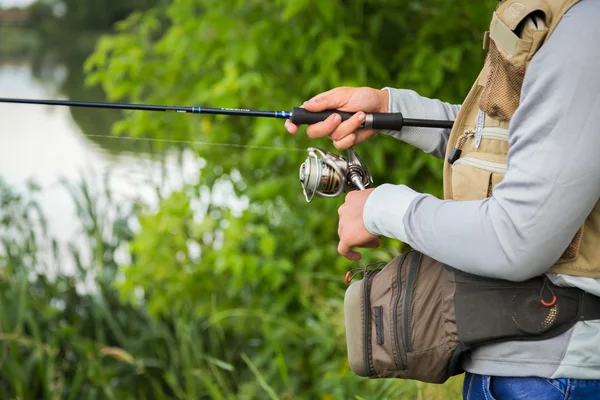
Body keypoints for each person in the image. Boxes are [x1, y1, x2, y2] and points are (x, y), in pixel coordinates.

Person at [285, 1, 600, 399]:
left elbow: (518, 240)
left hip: (555, 378)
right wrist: (389, 109)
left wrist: (380, 209)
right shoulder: (561, 19)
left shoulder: (585, 29)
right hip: (515, 371)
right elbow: (520, 142)